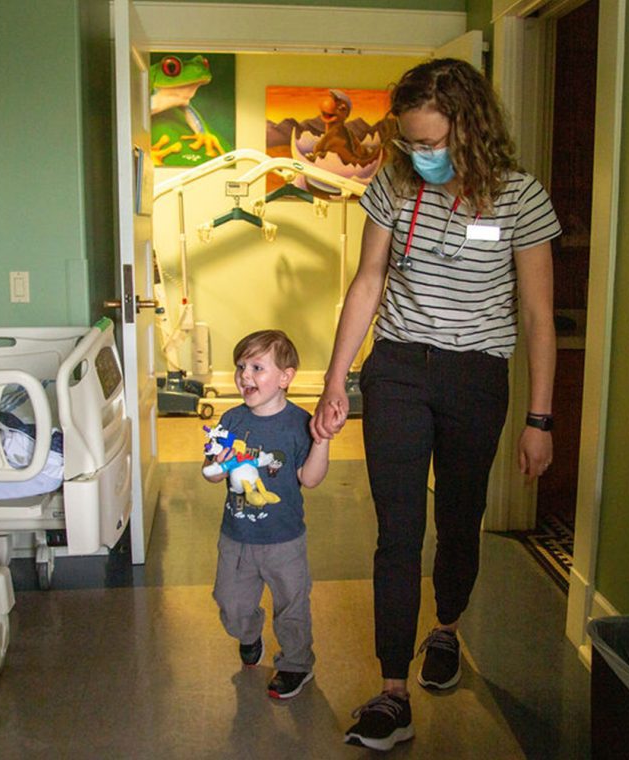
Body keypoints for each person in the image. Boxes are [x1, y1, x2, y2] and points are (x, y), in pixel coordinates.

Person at [310, 58, 561, 751]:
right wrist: (336, 380)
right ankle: (392, 692)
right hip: (395, 371)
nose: (419, 156)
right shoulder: (393, 187)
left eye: (431, 143)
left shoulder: (519, 198)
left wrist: (540, 419)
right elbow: (367, 282)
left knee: (459, 516)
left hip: (476, 378)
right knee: (397, 529)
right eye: (410, 143)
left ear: (470, 130)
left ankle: (445, 625)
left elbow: (539, 317)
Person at [203, 329, 332, 700]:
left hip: (285, 539)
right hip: (236, 538)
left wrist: (321, 443)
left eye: (257, 367)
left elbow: (310, 478)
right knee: (230, 603)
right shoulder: (231, 420)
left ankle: (295, 664)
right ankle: (248, 633)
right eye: (240, 367)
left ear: (285, 377)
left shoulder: (299, 424)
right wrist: (218, 466)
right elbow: (209, 473)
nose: (245, 376)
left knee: (292, 605)